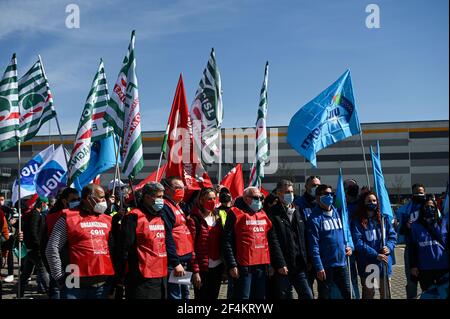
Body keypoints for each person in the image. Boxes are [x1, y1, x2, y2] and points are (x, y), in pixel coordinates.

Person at [46, 184, 115, 299]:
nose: (105, 201)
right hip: (73, 285)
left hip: (101, 285)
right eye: (101, 197)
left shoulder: (107, 220)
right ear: (89, 198)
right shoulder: (68, 218)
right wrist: (60, 278)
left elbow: (113, 250)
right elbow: (52, 248)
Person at [115, 182, 171, 299]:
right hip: (141, 278)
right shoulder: (133, 217)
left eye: (163, 197)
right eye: (159, 197)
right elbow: (124, 249)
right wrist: (120, 278)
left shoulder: (160, 216)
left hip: (161, 275)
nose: (162, 200)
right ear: (147, 197)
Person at [223, 186, 274, 299]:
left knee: (260, 297)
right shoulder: (235, 213)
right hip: (243, 266)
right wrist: (232, 265)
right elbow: (227, 241)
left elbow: (268, 240)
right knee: (243, 297)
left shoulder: (263, 214)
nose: (259, 201)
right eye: (256, 198)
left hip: (261, 265)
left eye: (261, 198)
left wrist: (270, 264)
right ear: (246, 198)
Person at [267, 180, 313, 299]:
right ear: (278, 193)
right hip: (283, 267)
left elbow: (303, 237)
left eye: (292, 192)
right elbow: (273, 241)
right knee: (285, 296)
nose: (290, 195)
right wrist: (280, 263)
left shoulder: (298, 210)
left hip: (299, 264)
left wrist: (307, 259)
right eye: (287, 192)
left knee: (308, 295)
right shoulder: (272, 214)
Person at [307, 184, 353, 299]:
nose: (329, 196)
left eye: (331, 194)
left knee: (349, 294)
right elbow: (314, 246)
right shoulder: (314, 219)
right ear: (318, 197)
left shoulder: (339, 214)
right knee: (325, 296)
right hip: (326, 266)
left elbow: (347, 234)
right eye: (325, 194)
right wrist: (319, 266)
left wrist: (349, 246)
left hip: (342, 264)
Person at [352, 191, 397, 299]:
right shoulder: (358, 220)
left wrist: (389, 247)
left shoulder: (383, 218)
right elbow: (358, 242)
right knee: (369, 293)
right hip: (369, 264)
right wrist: (375, 254)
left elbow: (392, 236)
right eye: (369, 201)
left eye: (374, 200)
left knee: (386, 293)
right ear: (363, 203)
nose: (372, 203)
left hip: (384, 263)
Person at [42, 187, 80, 299]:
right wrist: (56, 272)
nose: (77, 202)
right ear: (64, 201)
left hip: (71, 265)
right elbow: (46, 243)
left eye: (79, 199)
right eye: (73, 200)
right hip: (63, 265)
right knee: (58, 291)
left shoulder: (75, 215)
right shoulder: (56, 217)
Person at [160, 177, 194, 300]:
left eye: (182, 187)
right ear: (167, 189)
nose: (181, 190)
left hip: (183, 259)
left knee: (185, 294)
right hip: (174, 262)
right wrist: (175, 263)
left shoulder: (177, 205)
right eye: (177, 187)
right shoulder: (165, 207)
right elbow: (167, 236)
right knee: (175, 296)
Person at [187, 188, 224, 300]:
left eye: (214, 198)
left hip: (217, 266)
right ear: (201, 200)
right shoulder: (193, 219)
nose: (212, 201)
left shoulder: (218, 217)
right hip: (202, 268)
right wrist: (195, 271)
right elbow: (191, 247)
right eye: (209, 199)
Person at [409, 195, 448, 292]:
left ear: (436, 209)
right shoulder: (415, 226)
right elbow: (412, 248)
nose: (429, 209)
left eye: (432, 207)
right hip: (425, 269)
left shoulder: (443, 223)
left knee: (444, 294)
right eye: (426, 207)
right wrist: (413, 266)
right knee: (428, 295)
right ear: (422, 209)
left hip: (443, 267)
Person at [396, 183, 426, 298]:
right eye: (416, 192)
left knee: (426, 282)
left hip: (426, 248)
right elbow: (401, 231)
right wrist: (406, 227)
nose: (419, 194)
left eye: (421, 192)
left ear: (425, 193)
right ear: (412, 194)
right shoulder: (406, 210)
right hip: (411, 248)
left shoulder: (430, 207)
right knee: (412, 282)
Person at [19, 196, 50, 297]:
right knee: (42, 269)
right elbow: (33, 232)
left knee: (26, 273)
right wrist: (38, 246)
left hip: (31, 249)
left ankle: (20, 292)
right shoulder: (35, 215)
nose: (47, 206)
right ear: (42, 204)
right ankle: (51, 292)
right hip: (35, 249)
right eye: (47, 204)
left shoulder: (34, 214)